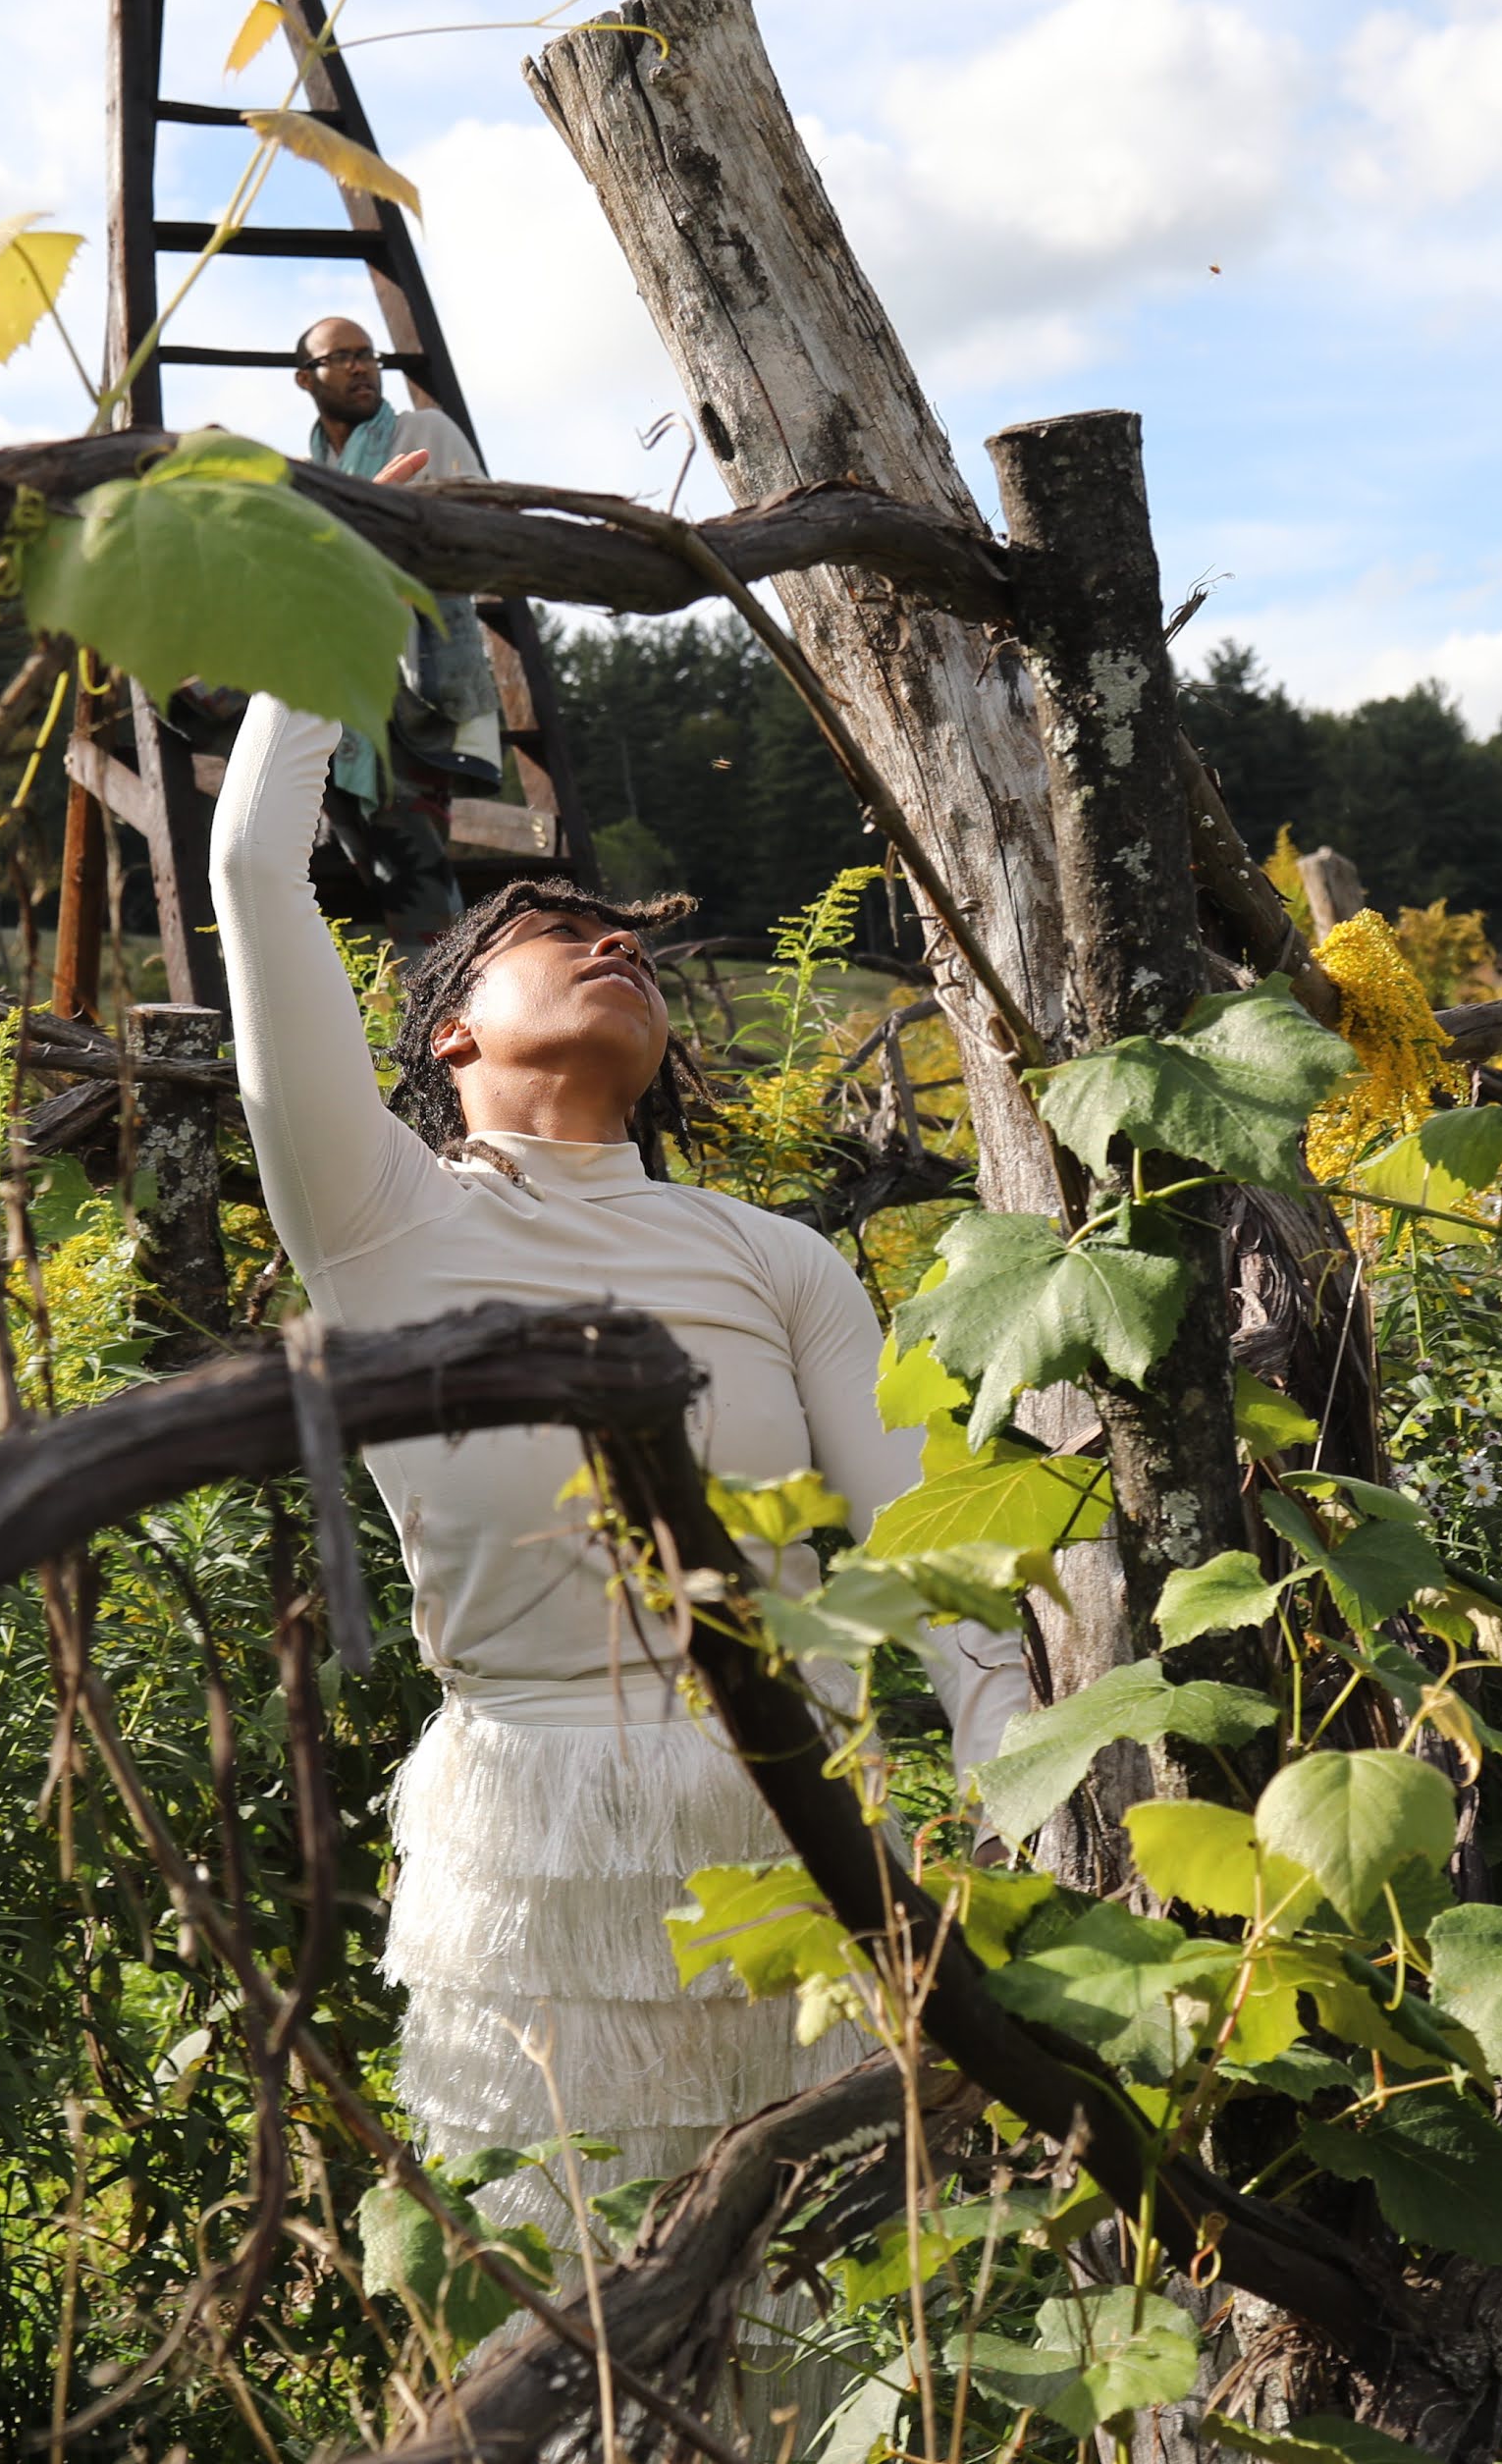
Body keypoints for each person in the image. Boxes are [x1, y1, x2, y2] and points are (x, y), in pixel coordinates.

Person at [212, 687, 1032, 2245]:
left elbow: (929, 1545)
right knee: (563, 2289)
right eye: (563, 936)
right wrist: (331, 605)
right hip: (529, 1842)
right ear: (449, 1029)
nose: (618, 949)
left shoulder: (776, 1257)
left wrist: (1026, 1793)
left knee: (820, 2298)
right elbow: (256, 867)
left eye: (636, 946)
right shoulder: (383, 1219)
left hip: (801, 1819)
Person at [294, 319, 508, 932]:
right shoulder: (314, 468)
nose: (361, 366)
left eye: (368, 354)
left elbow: (485, 527)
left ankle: (450, 1006)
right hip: (336, 686)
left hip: (412, 686)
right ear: (306, 378)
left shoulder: (423, 431)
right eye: (342, 357)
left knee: (417, 874)